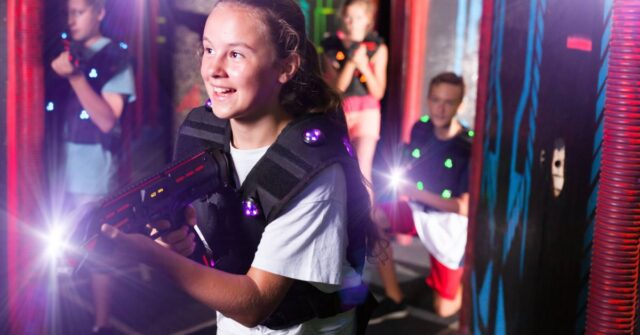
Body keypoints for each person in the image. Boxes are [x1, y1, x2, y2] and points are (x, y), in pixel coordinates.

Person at [99, 1, 381, 334]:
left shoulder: (312, 171)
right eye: (208, 48)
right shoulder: (202, 132)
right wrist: (182, 242)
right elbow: (217, 248)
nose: (213, 69)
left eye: (236, 55)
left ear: (287, 67)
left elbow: (255, 303)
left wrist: (150, 255)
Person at [50, 0, 135, 333]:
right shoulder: (63, 53)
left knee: (99, 251)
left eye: (79, 12)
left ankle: (101, 325)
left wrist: (74, 77)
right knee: (58, 248)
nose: (71, 19)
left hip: (93, 169)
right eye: (68, 13)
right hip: (57, 166)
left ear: (99, 13)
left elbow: (105, 119)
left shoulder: (116, 56)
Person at [369, 72, 472, 323]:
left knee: (444, 310)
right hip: (418, 211)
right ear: (427, 99)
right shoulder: (422, 128)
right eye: (436, 99)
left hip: (449, 225)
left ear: (460, 104)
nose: (441, 108)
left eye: (449, 102)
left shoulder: (467, 145)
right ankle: (395, 298)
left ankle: (468, 282)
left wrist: (416, 192)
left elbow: (464, 207)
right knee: (374, 217)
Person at [321, 0, 388, 199]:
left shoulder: (377, 48)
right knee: (339, 167)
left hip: (367, 113)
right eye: (348, 17)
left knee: (362, 166)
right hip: (342, 111)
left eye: (358, 17)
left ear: (368, 19)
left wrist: (365, 65)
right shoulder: (331, 47)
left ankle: (368, 223)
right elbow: (337, 89)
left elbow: (378, 92)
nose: (352, 22)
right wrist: (351, 62)